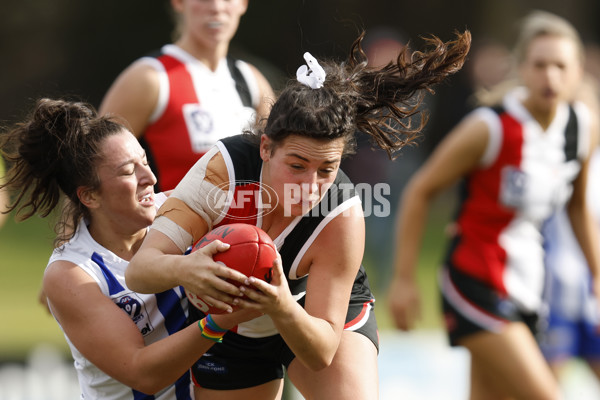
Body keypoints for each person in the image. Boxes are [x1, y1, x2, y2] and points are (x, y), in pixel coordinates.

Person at [125, 30, 472, 399]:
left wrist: (282, 306)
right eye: (297, 164)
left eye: (327, 169)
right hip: (231, 321)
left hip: (312, 312)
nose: (310, 184)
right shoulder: (221, 171)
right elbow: (140, 270)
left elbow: (321, 350)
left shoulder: (342, 214)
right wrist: (186, 268)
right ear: (265, 148)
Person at [388, 10, 600, 400]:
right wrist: (403, 281)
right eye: (539, 65)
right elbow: (420, 190)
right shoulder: (491, 127)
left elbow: (577, 207)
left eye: (560, 66)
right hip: (475, 279)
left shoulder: (581, 126)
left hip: (530, 285)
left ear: (577, 71)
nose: (550, 76)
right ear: (520, 67)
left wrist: (597, 273)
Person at [0, 98, 260, 400]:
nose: (149, 179)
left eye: (145, 163)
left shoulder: (184, 211)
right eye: (127, 172)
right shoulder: (71, 274)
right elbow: (143, 373)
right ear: (90, 197)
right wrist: (223, 319)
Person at [99, 0, 275, 192]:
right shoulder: (149, 78)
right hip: (164, 221)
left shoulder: (252, 81)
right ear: (179, 2)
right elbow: (92, 171)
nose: (216, 8)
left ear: (243, 3)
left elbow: (281, 167)